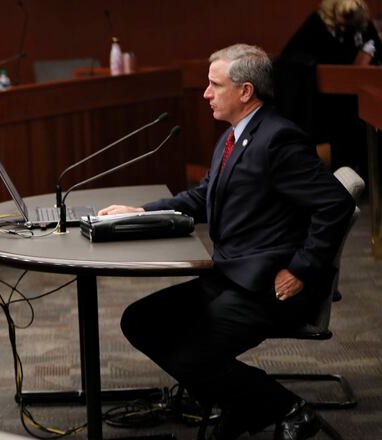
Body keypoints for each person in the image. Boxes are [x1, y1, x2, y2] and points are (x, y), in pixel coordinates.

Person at [100, 44, 355, 440]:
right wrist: (141, 212)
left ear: (246, 91)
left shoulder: (279, 139)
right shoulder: (234, 136)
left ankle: (287, 407)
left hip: (268, 286)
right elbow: (203, 197)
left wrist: (302, 268)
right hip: (231, 276)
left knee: (192, 355)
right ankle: (243, 403)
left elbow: (335, 204)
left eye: (214, 85)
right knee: (140, 321)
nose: (205, 93)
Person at [274, 0, 381, 175]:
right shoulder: (317, 23)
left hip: (357, 97)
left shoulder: (361, 23)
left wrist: (368, 52)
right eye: (343, 20)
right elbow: (293, 58)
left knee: (361, 140)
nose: (346, 26)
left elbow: (373, 45)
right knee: (337, 143)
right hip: (326, 99)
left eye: (350, 21)